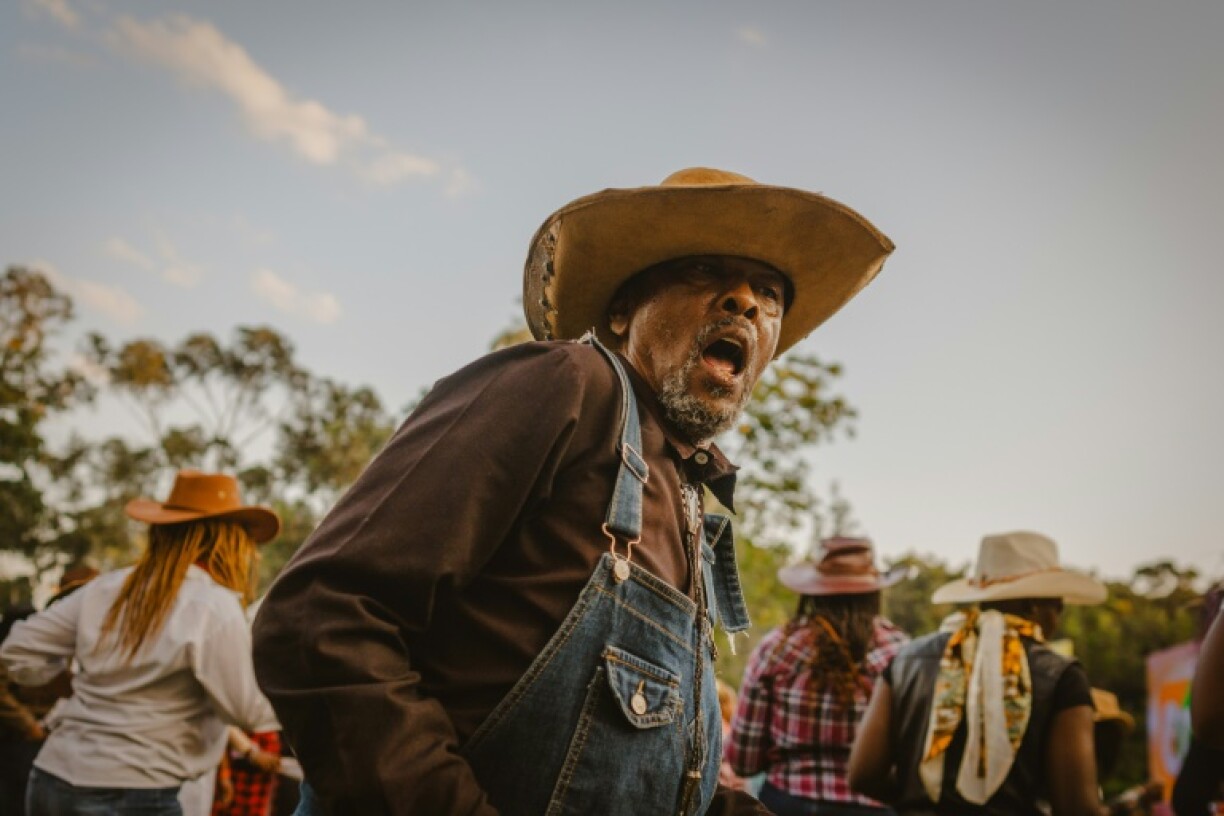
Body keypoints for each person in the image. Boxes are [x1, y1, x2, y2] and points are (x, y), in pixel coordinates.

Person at [251, 166, 895, 816]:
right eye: (704, 272)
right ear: (621, 312)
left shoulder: (689, 494)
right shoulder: (567, 383)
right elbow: (322, 618)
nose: (745, 303)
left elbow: (664, 768)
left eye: (768, 293)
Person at [0, 470, 282, 816]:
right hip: (134, 793)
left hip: (54, 778)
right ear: (226, 540)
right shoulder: (213, 605)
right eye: (245, 538)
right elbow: (247, 711)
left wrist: (67, 685)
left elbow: (17, 650)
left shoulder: (108, 588)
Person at [847, 531, 1106, 816]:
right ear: (1034, 605)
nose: (1057, 621)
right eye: (1058, 608)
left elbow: (863, 775)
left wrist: (920, 798)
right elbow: (1077, 807)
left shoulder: (906, 660)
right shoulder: (1062, 675)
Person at [727, 537, 909, 816]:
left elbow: (743, 760)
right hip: (875, 807)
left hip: (786, 805)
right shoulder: (900, 652)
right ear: (874, 594)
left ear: (813, 591)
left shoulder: (776, 649)